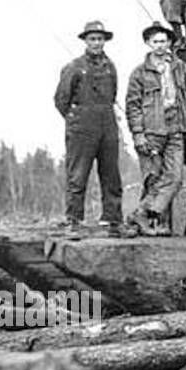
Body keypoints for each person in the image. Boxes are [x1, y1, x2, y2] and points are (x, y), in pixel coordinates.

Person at [124, 23, 186, 237]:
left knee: (174, 177)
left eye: (164, 41)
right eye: (155, 41)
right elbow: (132, 105)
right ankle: (154, 222)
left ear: (169, 43)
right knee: (153, 178)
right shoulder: (140, 73)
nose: (160, 45)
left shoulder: (179, 67)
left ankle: (140, 213)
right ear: (148, 44)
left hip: (176, 127)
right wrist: (138, 134)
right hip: (151, 130)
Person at [53, 20, 124, 238]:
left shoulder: (110, 66)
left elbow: (113, 95)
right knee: (78, 174)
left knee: (111, 174)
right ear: (85, 41)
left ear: (105, 41)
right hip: (83, 125)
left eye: (100, 39)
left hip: (107, 122)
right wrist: (76, 120)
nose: (96, 43)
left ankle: (113, 220)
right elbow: (61, 99)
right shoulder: (74, 67)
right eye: (92, 39)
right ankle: (74, 221)